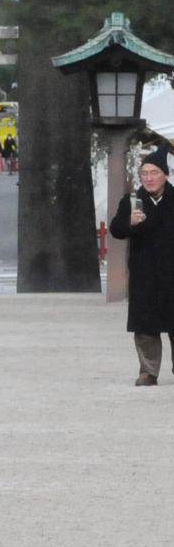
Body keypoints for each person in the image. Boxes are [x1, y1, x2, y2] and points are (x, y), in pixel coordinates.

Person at [107, 146, 174, 385]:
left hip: (172, 271)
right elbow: (115, 230)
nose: (148, 178)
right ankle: (148, 371)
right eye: (144, 173)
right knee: (145, 325)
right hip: (144, 272)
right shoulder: (133, 201)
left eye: (154, 172)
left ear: (165, 175)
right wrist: (129, 222)